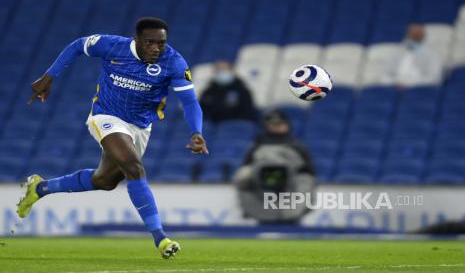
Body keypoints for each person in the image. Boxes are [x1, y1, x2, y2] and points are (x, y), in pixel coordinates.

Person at [16, 17, 209, 259]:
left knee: (104, 181)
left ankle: (41, 188)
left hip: (140, 127)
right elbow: (78, 45)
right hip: (105, 116)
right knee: (133, 167)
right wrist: (49, 75)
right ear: (136, 39)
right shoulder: (111, 46)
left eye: (161, 43)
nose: (156, 48)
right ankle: (160, 238)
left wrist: (196, 132)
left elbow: (190, 101)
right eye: (150, 42)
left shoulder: (174, 62)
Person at [234, 110, 316, 224]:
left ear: (287, 124)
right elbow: (245, 173)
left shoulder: (298, 147)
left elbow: (309, 175)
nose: (277, 126)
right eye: (273, 124)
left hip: (290, 197)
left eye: (280, 123)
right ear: (266, 126)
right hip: (262, 198)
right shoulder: (255, 147)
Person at [382, 24, 444, 88]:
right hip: (394, 88)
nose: (414, 37)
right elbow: (385, 74)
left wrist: (409, 84)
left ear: (423, 36)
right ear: (407, 35)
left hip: (418, 89)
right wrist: (395, 83)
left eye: (417, 35)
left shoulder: (432, 55)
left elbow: (434, 79)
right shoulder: (397, 51)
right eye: (412, 35)